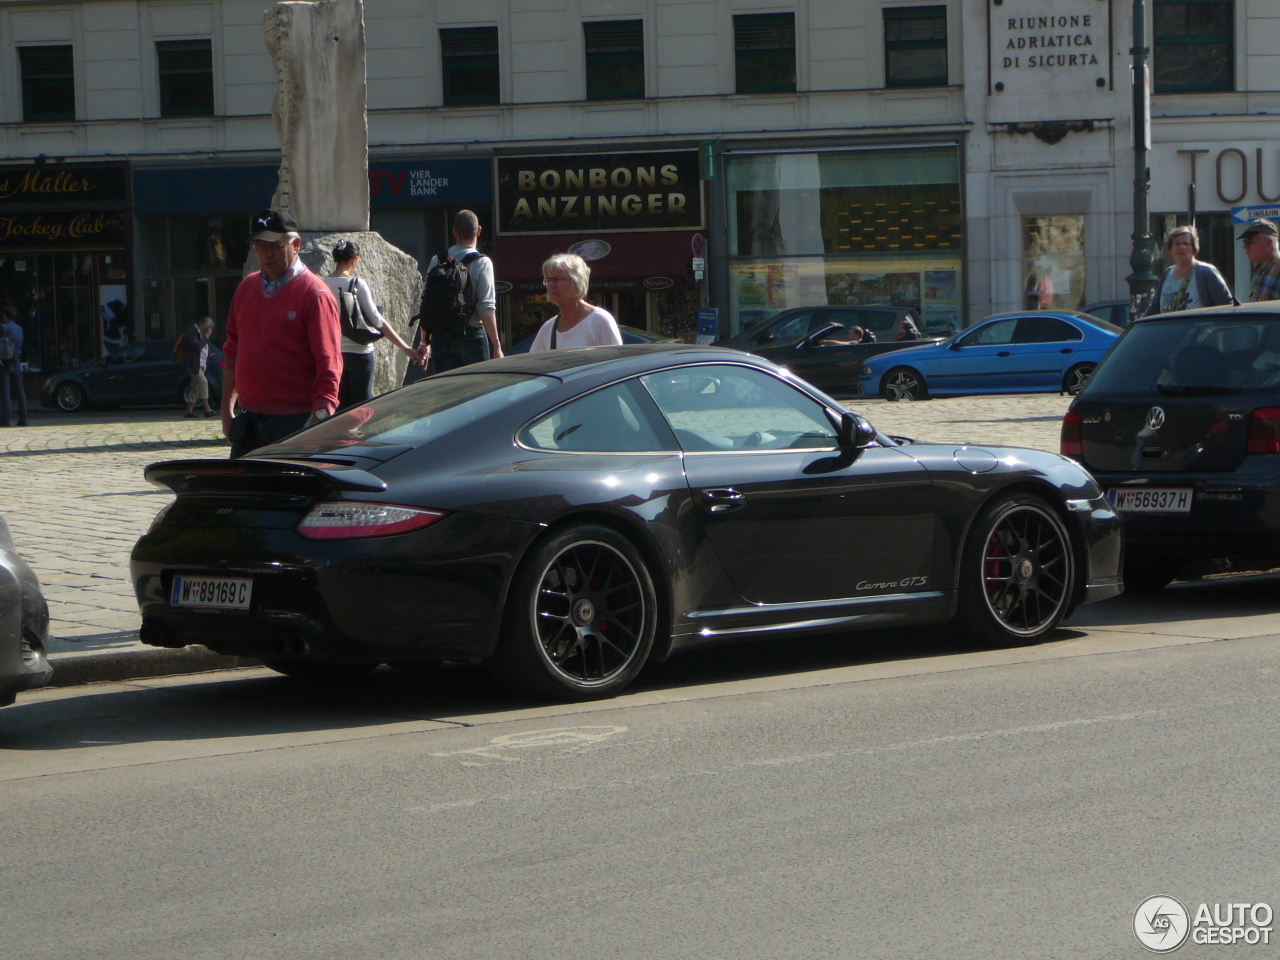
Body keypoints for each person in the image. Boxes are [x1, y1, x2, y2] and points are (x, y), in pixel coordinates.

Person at [221, 209, 342, 459]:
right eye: (259, 245)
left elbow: (329, 365)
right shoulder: (246, 288)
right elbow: (233, 350)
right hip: (249, 420)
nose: (265, 254)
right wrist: (225, 409)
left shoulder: (315, 295)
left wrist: (321, 418)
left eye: (274, 246)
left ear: (295, 244)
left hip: (295, 422)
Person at [324, 240, 423, 407]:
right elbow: (377, 320)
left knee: (340, 408)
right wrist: (405, 347)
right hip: (360, 353)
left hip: (335, 354)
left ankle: (342, 434)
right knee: (362, 407)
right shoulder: (356, 284)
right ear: (355, 259)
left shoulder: (322, 283)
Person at [420, 210, 502, 373]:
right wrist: (497, 346)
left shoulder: (437, 260)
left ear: (454, 232)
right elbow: (486, 308)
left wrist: (424, 342)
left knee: (449, 394)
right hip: (472, 335)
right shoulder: (482, 263)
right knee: (479, 393)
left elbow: (427, 302)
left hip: (441, 338)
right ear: (478, 230)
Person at [528, 253, 623, 352]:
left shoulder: (599, 320)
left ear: (577, 282)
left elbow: (615, 363)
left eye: (557, 279)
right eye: (548, 280)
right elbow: (533, 363)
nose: (551, 285)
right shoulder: (548, 328)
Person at [1144, 225, 1233, 316]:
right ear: (1171, 248)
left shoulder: (1206, 272)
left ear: (1194, 249)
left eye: (1185, 243)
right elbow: (1154, 309)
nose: (1181, 247)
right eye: (1177, 244)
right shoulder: (1167, 274)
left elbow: (1227, 304)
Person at [180, 316, 216, 418]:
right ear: (205, 326)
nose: (209, 331)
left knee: (195, 388)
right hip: (193, 365)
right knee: (203, 382)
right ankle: (207, 409)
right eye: (209, 328)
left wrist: (209, 355)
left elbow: (203, 349)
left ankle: (188, 411)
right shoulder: (191, 333)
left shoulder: (201, 334)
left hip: (201, 365)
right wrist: (207, 336)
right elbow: (197, 347)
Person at [1240, 218, 1280, 303]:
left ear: (1268, 243)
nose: (1245, 247)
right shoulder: (1260, 270)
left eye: (1249, 242)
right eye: (1244, 242)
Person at [0, 305, 27, 427]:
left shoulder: (3, 327)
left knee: (6, 392)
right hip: (16, 361)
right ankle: (23, 418)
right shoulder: (19, 329)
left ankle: (6, 419)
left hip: (5, 362)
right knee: (20, 391)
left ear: (5, 315)